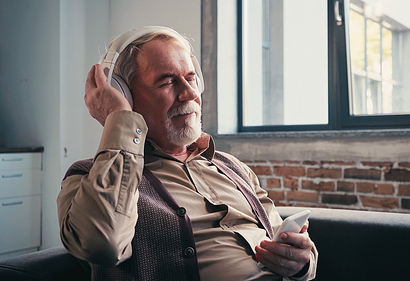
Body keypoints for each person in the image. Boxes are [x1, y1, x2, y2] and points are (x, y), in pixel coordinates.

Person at [57, 26, 317, 281]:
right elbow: (102, 244)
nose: (190, 93)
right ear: (124, 95)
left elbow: (280, 238)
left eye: (191, 78)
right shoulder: (88, 177)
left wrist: (300, 262)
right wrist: (119, 119)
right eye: (167, 81)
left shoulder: (232, 167)